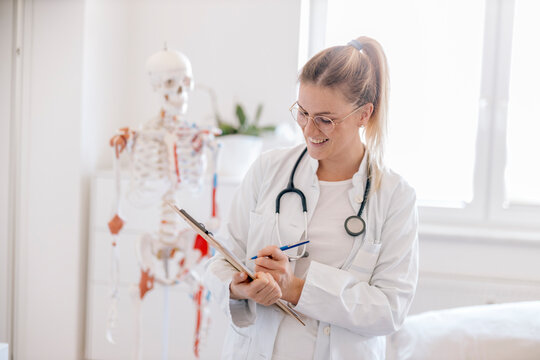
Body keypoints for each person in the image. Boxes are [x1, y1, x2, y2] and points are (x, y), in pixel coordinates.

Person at [204, 36, 418, 360]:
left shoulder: (395, 197)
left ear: (364, 114)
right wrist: (239, 287)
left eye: (325, 119)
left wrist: (295, 288)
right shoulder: (268, 169)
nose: (309, 129)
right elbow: (221, 260)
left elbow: (390, 309)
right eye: (303, 112)